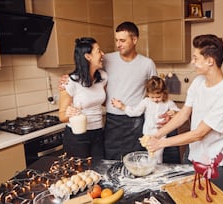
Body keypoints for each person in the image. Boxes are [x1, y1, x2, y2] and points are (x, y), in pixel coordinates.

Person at [144, 34, 223, 166]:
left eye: (195, 58)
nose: (192, 62)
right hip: (192, 152)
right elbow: (183, 114)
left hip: (213, 160)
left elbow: (200, 133)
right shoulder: (198, 81)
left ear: (210, 61)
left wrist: (161, 143)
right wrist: (157, 135)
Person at [103, 22, 157, 160]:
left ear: (134, 40)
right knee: (111, 161)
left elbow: (156, 91)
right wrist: (68, 77)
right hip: (112, 120)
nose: (118, 44)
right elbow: (85, 69)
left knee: (135, 160)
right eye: (116, 40)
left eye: (122, 40)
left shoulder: (147, 63)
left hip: (136, 121)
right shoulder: (106, 59)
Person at [111, 76, 180, 163]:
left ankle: (156, 171)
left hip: (161, 134)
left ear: (164, 93)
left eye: (158, 97)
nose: (155, 100)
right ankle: (150, 169)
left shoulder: (168, 103)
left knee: (157, 156)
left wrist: (174, 112)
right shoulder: (146, 102)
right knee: (150, 155)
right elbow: (135, 112)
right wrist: (122, 107)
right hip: (147, 134)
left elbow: (180, 114)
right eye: (152, 97)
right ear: (148, 94)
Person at [59, 37, 107, 159]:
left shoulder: (103, 77)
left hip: (98, 133)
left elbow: (104, 102)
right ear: (88, 57)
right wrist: (69, 113)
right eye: (98, 51)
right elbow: (62, 116)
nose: (103, 54)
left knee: (98, 172)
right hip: (78, 135)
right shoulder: (70, 82)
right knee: (78, 175)